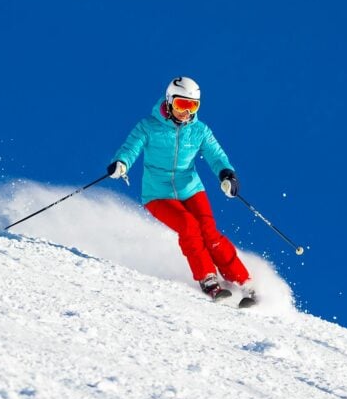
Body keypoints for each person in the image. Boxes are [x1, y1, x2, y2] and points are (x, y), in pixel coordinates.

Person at [107, 76, 255, 305]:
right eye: (181, 105)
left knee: (209, 231)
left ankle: (244, 282)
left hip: (191, 188)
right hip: (157, 194)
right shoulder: (148, 126)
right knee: (189, 227)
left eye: (192, 106)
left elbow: (216, 155)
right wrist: (121, 164)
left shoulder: (199, 130)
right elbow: (130, 148)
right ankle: (208, 278)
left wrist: (227, 174)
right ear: (169, 101)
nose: (186, 112)